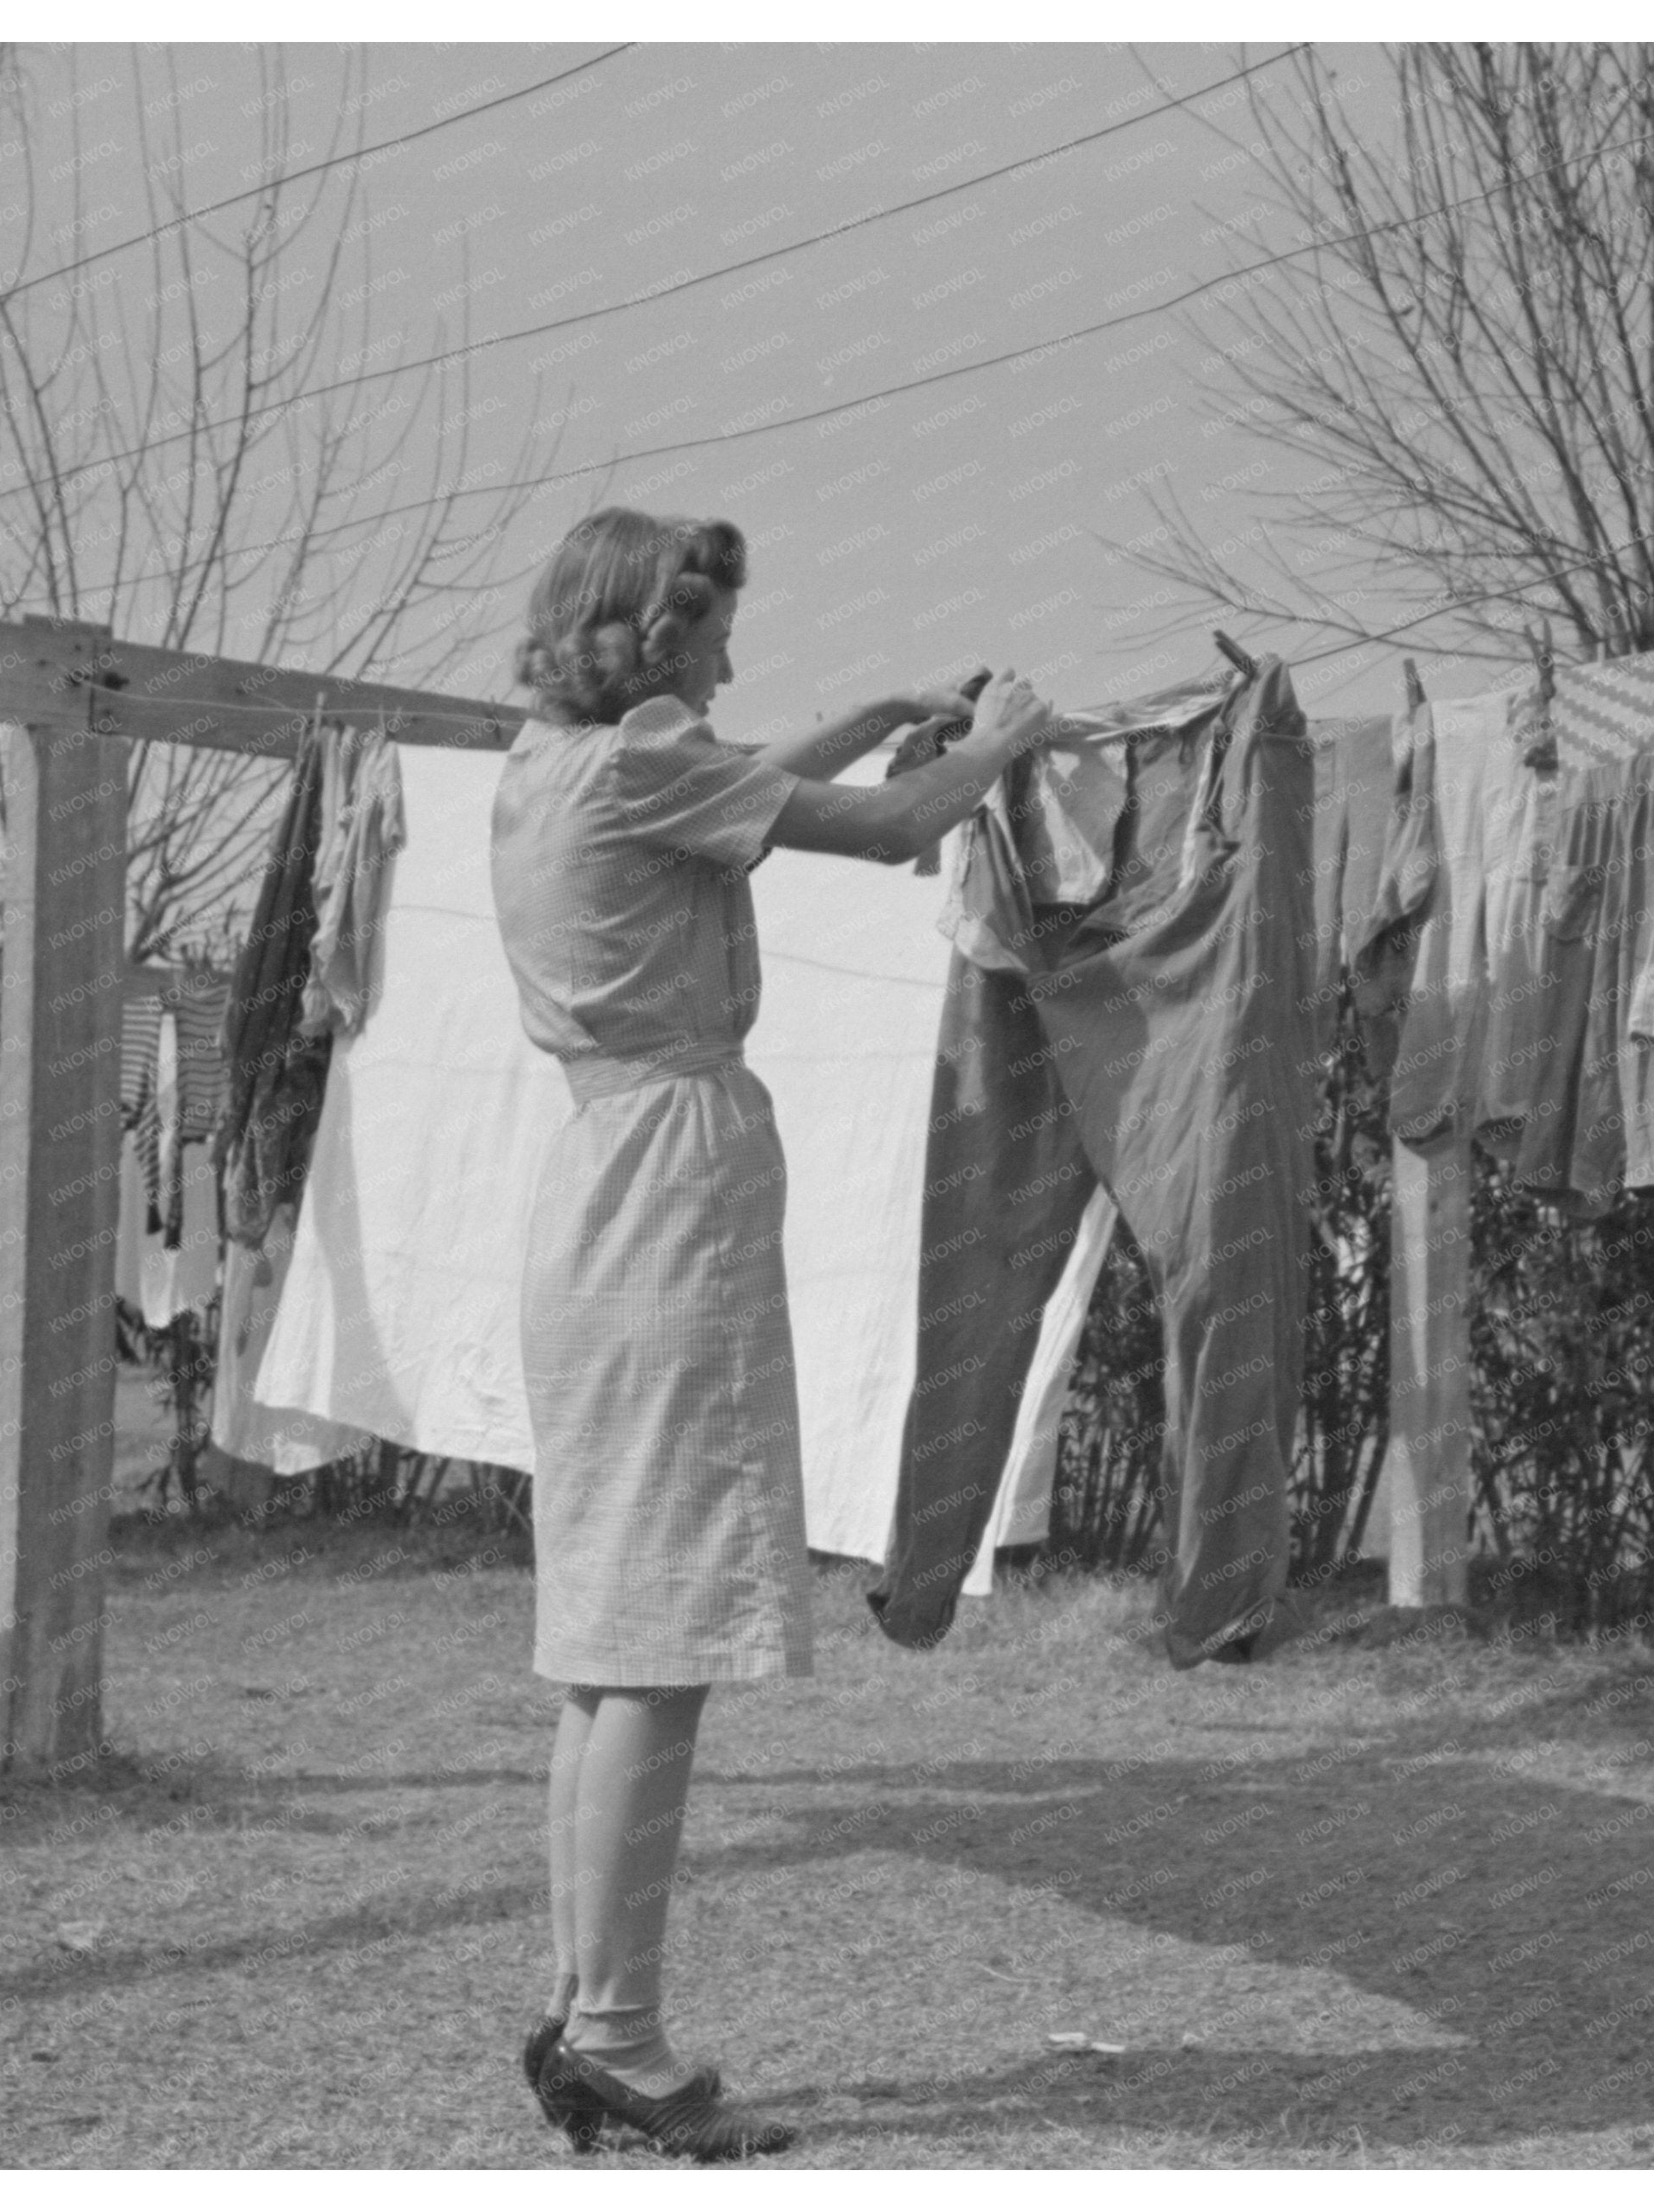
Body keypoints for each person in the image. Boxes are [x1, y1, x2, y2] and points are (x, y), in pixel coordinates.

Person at [491, 507, 1060, 2160]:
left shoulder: (552, 769)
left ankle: (589, 1999)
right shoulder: (638, 768)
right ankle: (619, 2038)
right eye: (713, 638)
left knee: (610, 1643)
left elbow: (750, 790)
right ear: (650, 647)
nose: (733, 664)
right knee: (665, 1634)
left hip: (596, 1188)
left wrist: (873, 715)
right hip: (665, 1190)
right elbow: (884, 835)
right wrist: (1001, 747)